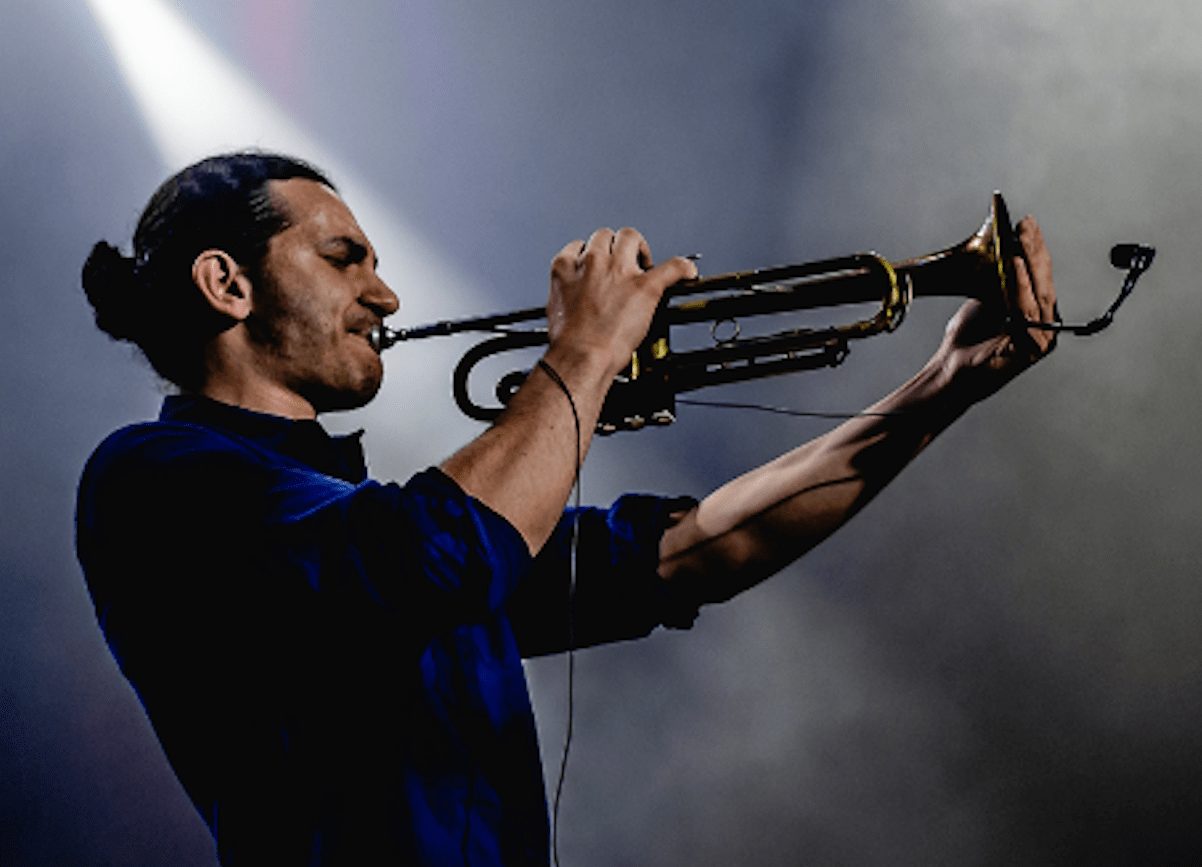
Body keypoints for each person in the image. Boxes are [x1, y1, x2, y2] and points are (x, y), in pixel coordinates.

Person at [75, 152, 1057, 866]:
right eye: (344, 259)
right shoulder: (152, 477)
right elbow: (445, 551)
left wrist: (942, 388)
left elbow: (692, 553)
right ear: (227, 282)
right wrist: (580, 354)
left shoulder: (378, 524)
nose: (385, 293)